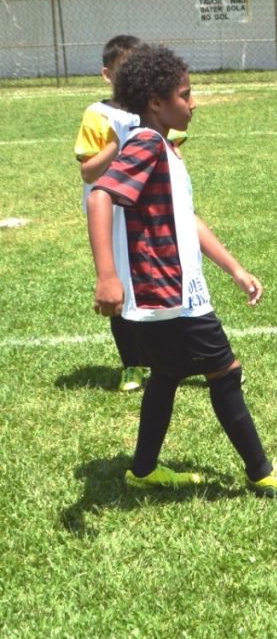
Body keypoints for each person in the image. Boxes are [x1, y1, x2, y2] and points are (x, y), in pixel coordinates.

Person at [87, 44, 277, 500]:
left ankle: (143, 470)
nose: (194, 103)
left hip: (169, 290)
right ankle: (262, 474)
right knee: (225, 372)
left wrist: (234, 268)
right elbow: (100, 195)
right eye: (185, 94)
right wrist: (106, 276)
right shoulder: (147, 143)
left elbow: (186, 217)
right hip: (170, 292)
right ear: (156, 101)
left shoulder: (164, 147)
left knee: (168, 371)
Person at [74, 35, 148, 392]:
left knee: (155, 281)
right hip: (111, 215)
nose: (132, 75)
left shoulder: (152, 106)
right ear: (107, 74)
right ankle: (132, 364)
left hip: (147, 210)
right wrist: (117, 145)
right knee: (119, 287)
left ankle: (178, 358)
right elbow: (89, 173)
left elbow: (173, 153)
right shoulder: (97, 114)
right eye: (124, 68)